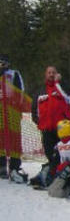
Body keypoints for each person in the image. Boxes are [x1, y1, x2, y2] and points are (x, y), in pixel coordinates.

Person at [31, 66, 70, 165]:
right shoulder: (40, 91)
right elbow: (33, 109)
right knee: (49, 154)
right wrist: (39, 122)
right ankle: (52, 173)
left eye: (53, 72)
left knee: (64, 155)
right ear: (46, 75)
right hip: (47, 129)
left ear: (57, 74)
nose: (51, 74)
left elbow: (69, 96)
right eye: (49, 72)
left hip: (62, 130)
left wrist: (60, 82)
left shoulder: (61, 87)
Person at [0, 53, 28, 182]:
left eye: (4, 63)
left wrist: (18, 105)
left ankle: (15, 166)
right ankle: (1, 166)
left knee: (14, 138)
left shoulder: (14, 73)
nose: (2, 65)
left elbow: (20, 90)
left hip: (12, 109)